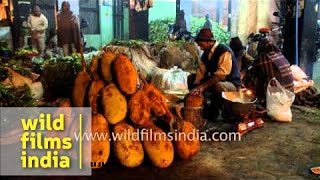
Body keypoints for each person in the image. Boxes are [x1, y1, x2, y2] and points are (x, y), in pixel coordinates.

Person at [189, 28, 241, 120]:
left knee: (218, 85)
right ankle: (202, 108)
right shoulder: (205, 53)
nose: (200, 47)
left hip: (231, 84)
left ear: (209, 42)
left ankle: (216, 112)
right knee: (191, 78)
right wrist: (195, 86)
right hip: (215, 81)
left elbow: (220, 76)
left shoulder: (224, 51)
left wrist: (202, 87)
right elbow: (200, 72)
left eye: (201, 45)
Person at [243, 38, 294, 105]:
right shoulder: (280, 55)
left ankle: (259, 98)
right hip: (289, 95)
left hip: (276, 97)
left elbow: (251, 71)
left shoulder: (264, 57)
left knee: (252, 76)